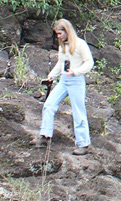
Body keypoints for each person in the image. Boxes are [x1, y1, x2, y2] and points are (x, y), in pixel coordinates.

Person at [34, 18, 94, 155]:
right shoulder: (63, 46)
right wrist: (51, 76)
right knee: (49, 105)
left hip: (76, 80)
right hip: (63, 80)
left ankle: (83, 144)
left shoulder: (80, 44)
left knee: (78, 112)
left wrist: (76, 72)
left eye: (60, 33)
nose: (58, 36)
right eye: (57, 34)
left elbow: (89, 63)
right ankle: (45, 135)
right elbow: (61, 63)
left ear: (67, 31)